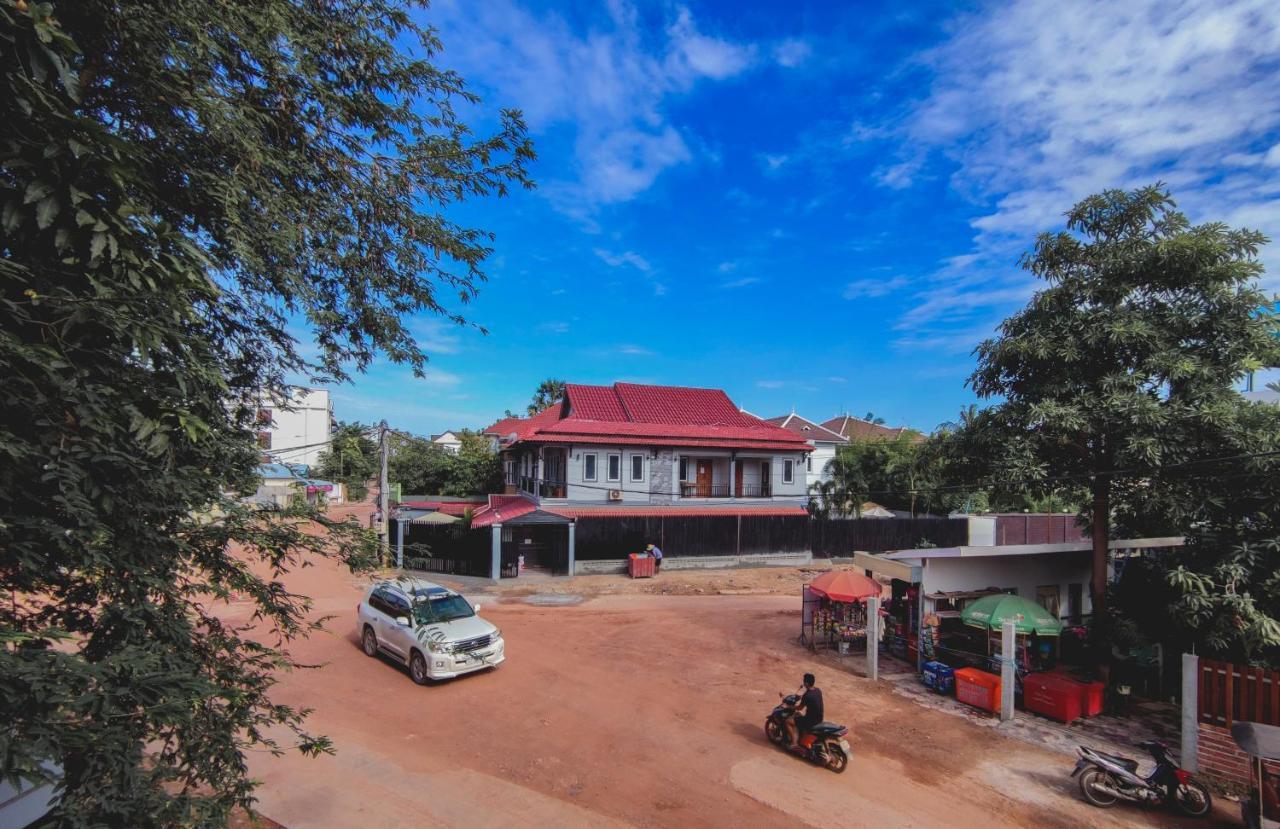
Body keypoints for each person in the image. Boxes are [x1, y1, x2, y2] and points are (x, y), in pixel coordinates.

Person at [785, 673, 824, 749]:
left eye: (804, 681)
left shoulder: (807, 695)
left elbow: (800, 708)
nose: (803, 683)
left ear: (806, 683)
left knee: (788, 721)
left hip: (810, 721)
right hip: (819, 718)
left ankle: (794, 743)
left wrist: (788, 706)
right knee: (798, 714)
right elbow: (812, 700)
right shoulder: (818, 690)